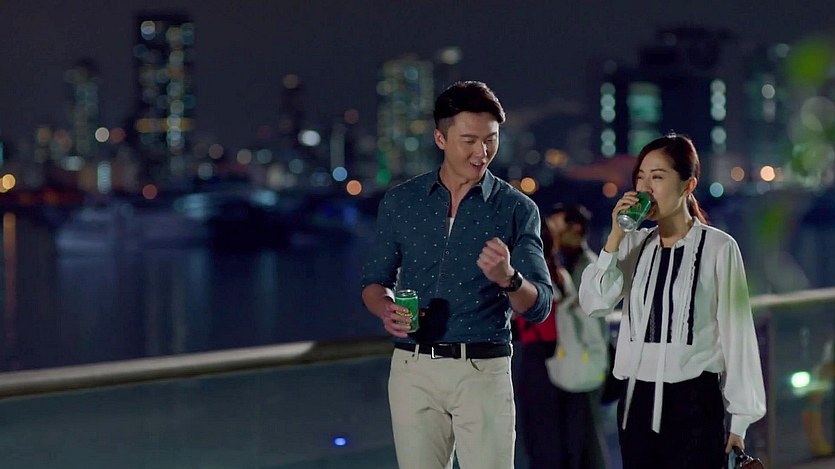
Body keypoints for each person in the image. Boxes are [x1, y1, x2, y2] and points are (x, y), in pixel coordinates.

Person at [360, 80, 553, 469]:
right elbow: (374, 281)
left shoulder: (517, 209)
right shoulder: (401, 202)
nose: (482, 153)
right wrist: (386, 309)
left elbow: (540, 305)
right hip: (413, 370)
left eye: (491, 140)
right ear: (440, 138)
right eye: (469, 141)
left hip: (482, 371)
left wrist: (509, 278)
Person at [578, 134, 766, 468]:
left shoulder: (718, 248)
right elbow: (594, 303)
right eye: (640, 177)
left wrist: (740, 421)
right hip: (635, 403)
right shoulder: (633, 244)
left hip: (693, 404)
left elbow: (738, 334)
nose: (645, 188)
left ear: (688, 185)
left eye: (658, 177)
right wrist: (615, 237)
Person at [514, 204, 610, 469]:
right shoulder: (561, 269)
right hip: (562, 358)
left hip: (561, 359)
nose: (554, 232)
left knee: (563, 440)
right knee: (569, 440)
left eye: (557, 225)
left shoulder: (566, 270)